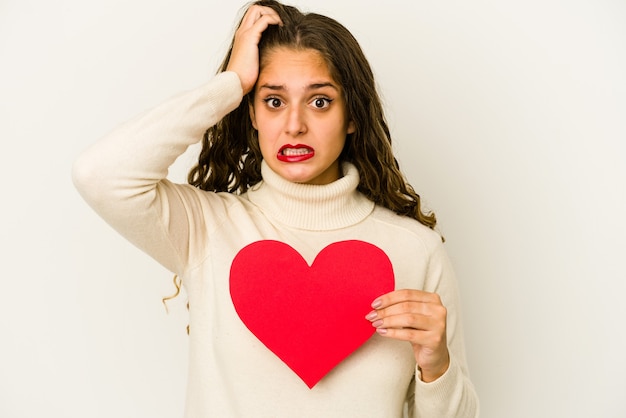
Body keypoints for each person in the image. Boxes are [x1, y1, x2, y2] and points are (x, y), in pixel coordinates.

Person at [72, 0, 479, 416]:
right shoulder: (207, 230)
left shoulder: (416, 249)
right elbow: (99, 174)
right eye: (273, 101)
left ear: (352, 115)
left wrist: (437, 367)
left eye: (319, 101)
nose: (294, 124)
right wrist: (231, 82)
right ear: (250, 112)